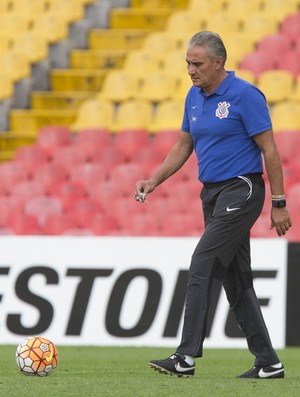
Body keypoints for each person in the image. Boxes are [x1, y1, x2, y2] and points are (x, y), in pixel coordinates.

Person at [134, 31, 292, 379]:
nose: (190, 70)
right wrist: (154, 180)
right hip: (213, 194)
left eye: (197, 64)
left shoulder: (245, 95)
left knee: (202, 262)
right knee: (236, 280)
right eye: (188, 63)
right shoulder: (193, 96)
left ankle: (185, 356)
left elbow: (270, 149)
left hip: (243, 189)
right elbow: (182, 146)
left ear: (218, 63)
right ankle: (269, 362)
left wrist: (278, 203)